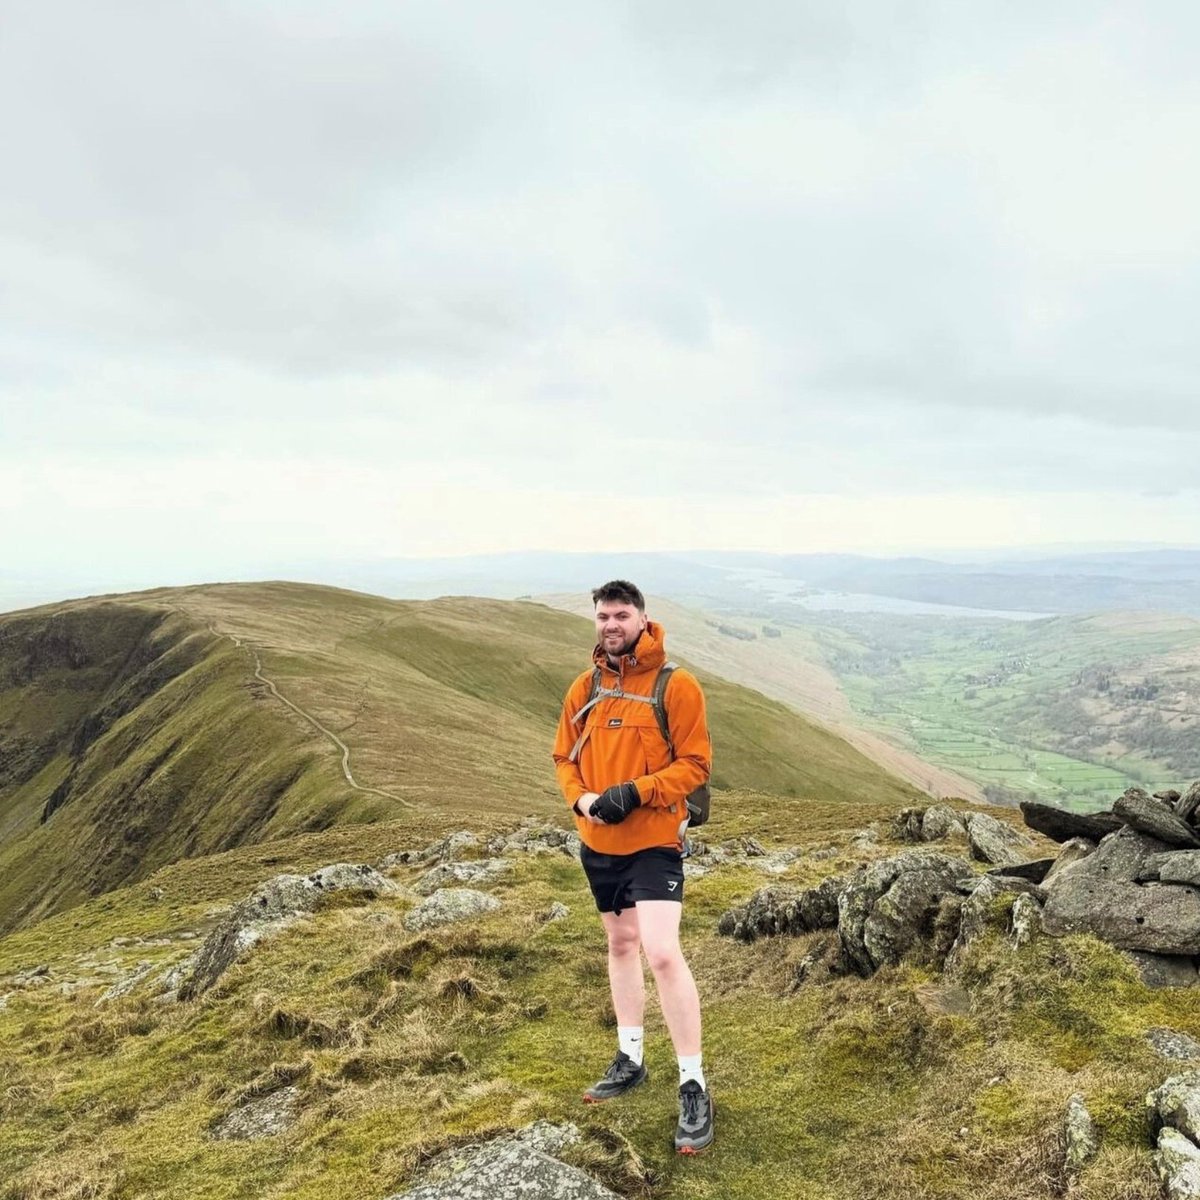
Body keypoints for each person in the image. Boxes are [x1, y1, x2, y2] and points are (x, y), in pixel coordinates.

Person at [552, 579, 715, 1154]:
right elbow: (562, 757)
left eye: (621, 614)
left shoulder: (677, 685)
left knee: (663, 951)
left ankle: (693, 1083)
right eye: (603, 616)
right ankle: (631, 1056)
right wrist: (581, 800)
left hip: (653, 841)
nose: (611, 624)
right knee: (620, 946)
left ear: (644, 619)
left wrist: (637, 791)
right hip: (598, 842)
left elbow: (695, 764)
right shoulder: (584, 687)